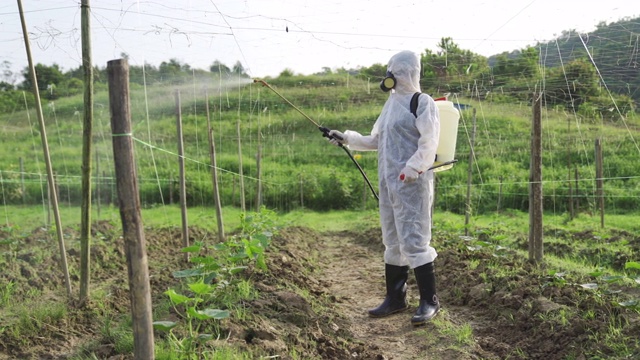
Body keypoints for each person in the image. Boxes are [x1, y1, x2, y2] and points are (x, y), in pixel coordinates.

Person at [327, 50, 440, 326]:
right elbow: (376, 140)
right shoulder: (390, 105)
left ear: (412, 72)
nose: (395, 77)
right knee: (392, 239)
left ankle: (429, 301)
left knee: (414, 239)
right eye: (392, 71)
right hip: (389, 183)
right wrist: (347, 138)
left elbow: (429, 142)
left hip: (412, 183)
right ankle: (396, 298)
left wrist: (412, 168)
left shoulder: (421, 102)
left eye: (400, 71)